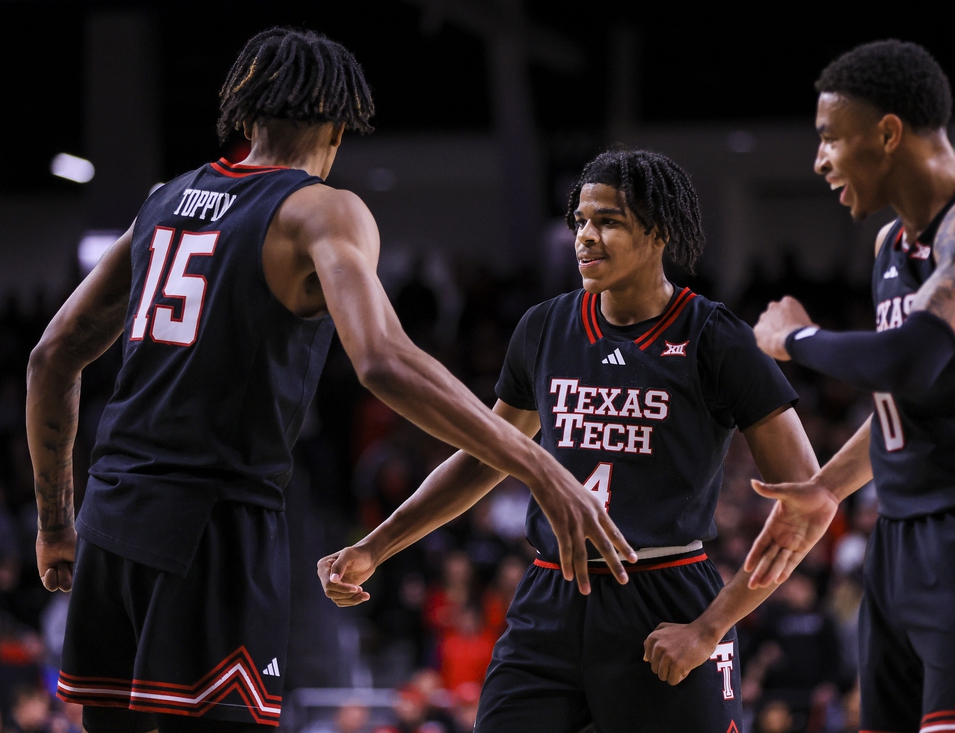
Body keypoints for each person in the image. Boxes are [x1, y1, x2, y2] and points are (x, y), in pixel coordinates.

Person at [25, 27, 631, 733]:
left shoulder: (164, 199)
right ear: (339, 127)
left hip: (109, 519)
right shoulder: (320, 209)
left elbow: (51, 356)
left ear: (243, 115)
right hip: (211, 526)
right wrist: (538, 465)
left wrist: (55, 524)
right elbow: (383, 359)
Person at [320, 149, 820, 732]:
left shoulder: (714, 336)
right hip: (549, 595)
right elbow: (482, 460)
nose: (586, 236)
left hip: (666, 599)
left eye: (608, 221)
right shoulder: (546, 325)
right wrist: (375, 548)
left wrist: (709, 627)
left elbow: (807, 500)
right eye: (581, 221)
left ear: (658, 233)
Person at [750, 40, 955, 732]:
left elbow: (909, 359)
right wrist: (828, 488)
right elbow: (909, 396)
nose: (820, 159)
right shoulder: (890, 245)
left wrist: (793, 340)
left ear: (887, 133)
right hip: (899, 544)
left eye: (830, 138)